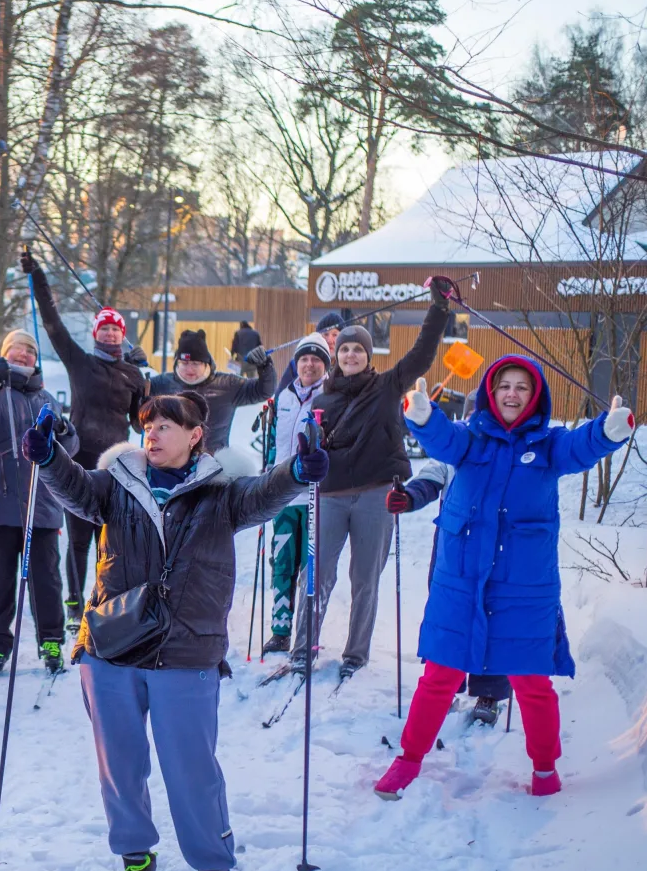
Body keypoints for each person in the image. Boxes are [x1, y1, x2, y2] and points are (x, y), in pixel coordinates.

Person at [19, 390, 329, 871]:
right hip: (112, 645)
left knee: (191, 770)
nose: (154, 434)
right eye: (148, 424)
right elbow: (75, 489)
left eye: (167, 425)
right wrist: (47, 459)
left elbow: (265, 495)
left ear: (195, 436)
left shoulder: (222, 493)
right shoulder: (117, 482)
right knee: (120, 766)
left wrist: (300, 470)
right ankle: (135, 857)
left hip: (186, 651)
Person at [374, 359, 634, 799]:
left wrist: (608, 430)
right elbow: (443, 440)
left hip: (524, 586)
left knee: (532, 681)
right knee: (440, 674)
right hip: (462, 580)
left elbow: (582, 447)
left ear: (535, 396)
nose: (511, 395)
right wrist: (422, 417)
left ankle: (546, 768)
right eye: (504, 387)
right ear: (490, 394)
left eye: (521, 388)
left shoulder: (550, 446)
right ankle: (409, 759)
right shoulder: (471, 439)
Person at [290, 277, 452, 681]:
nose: (350, 354)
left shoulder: (387, 386)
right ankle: (301, 647)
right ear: (335, 355)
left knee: (365, 579)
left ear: (367, 354)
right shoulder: (322, 398)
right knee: (315, 575)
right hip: (329, 496)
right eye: (343, 348)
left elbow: (421, 354)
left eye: (357, 348)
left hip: (376, 495)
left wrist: (439, 308)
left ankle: (355, 653)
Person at [23, 250, 147, 628]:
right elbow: (52, 323)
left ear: (122, 336)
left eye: (115, 329)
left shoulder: (132, 372)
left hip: (117, 464)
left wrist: (145, 379)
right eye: (104, 328)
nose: (110, 333)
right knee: (78, 539)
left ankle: (105, 597)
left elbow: (142, 423)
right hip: (79, 458)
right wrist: (38, 277)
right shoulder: (80, 361)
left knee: (110, 539)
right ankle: (75, 604)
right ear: (96, 333)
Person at [0, 330, 81, 677]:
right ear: (3, 355)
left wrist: (63, 430)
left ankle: (50, 641)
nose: (23, 356)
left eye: (29, 352)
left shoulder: (46, 397)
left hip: (41, 504)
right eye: (16, 351)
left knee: (46, 579)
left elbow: (69, 450)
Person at [386, 461, 511, 725]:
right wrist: (408, 497)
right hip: (453, 546)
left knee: (493, 615)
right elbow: (431, 478)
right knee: (447, 616)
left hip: (498, 542)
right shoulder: (458, 442)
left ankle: (489, 692)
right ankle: (442, 690)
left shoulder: (512, 447)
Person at [261, 332, 331, 654]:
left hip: (316, 497)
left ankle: (306, 632)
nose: (309, 364)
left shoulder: (330, 396)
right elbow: (274, 443)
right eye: (304, 358)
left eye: (317, 359)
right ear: (296, 363)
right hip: (282, 496)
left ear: (325, 365)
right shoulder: (284, 397)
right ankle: (280, 629)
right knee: (282, 562)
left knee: (309, 568)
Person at [147, 329, 277, 453]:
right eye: (185, 363)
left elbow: (262, 391)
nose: (190, 369)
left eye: (196, 363)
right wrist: (133, 368)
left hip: (213, 462)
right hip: (170, 464)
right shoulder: (162, 384)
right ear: (177, 364)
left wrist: (264, 367)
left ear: (206, 364)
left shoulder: (227, 385)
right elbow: (135, 395)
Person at [274, 311, 344, 399]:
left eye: (335, 335)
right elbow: (280, 397)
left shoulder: (346, 366)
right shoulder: (297, 365)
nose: (330, 340)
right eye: (326, 334)